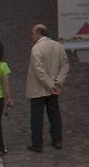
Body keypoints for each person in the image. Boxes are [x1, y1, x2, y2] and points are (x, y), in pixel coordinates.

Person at [27, 23, 69, 153]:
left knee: (37, 116)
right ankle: (57, 140)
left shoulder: (36, 49)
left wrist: (49, 85)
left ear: (39, 33)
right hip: (54, 87)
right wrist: (58, 82)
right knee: (54, 114)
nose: (31, 36)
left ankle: (37, 143)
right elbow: (65, 65)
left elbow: (38, 71)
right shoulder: (58, 46)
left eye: (33, 33)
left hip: (38, 88)